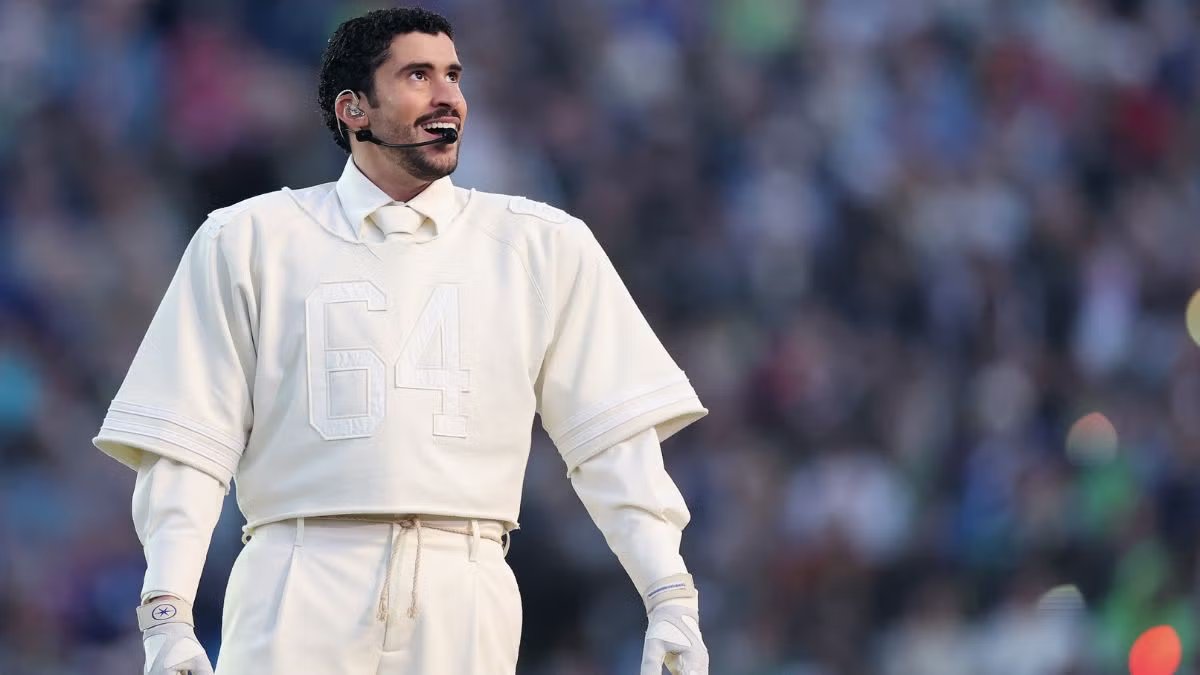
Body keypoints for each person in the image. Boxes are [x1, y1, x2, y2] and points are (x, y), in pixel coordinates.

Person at [93, 7, 709, 675]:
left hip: (466, 577)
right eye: (418, 76)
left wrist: (669, 594)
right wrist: (167, 611)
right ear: (353, 109)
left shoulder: (543, 244)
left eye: (454, 76)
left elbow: (612, 440)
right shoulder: (247, 239)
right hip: (296, 572)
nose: (448, 97)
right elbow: (188, 445)